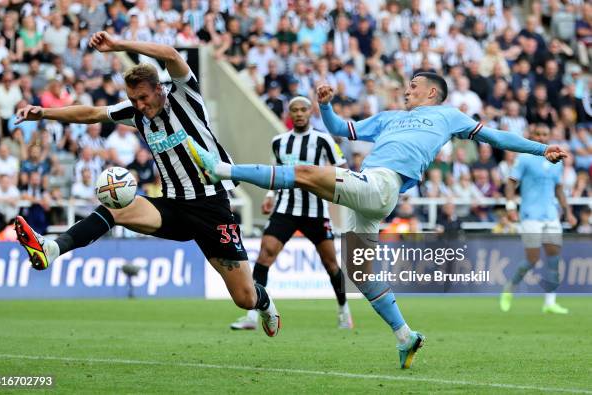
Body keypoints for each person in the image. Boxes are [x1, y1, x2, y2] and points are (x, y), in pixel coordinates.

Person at [186, 72, 567, 369]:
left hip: (382, 185)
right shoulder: (390, 118)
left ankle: (223, 169)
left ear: (432, 93)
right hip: (367, 195)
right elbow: (340, 130)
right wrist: (326, 107)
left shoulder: (448, 115)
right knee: (361, 272)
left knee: (304, 173)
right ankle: (405, 336)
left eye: (414, 87)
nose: (408, 91)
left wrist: (540, 149)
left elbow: (497, 137)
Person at [13, 32, 281, 337]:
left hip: (211, 207)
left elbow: (170, 54)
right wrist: (44, 113)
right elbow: (91, 113)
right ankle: (52, 248)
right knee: (116, 209)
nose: (139, 105)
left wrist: (119, 45)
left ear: (159, 89)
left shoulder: (185, 96)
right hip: (172, 206)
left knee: (243, 297)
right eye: (133, 100)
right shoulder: (136, 115)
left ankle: (266, 303)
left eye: (143, 98)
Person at [230, 96, 353, 331]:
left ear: (310, 112)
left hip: (316, 211)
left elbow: (343, 169)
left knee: (331, 263)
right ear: (289, 113)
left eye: (303, 110)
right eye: (294, 110)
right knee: (264, 256)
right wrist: (268, 197)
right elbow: (275, 173)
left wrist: (327, 186)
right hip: (285, 209)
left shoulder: (323, 140)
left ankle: (343, 310)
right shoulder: (279, 142)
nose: (298, 114)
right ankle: (252, 316)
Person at [499, 126, 577, 314]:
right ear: (532, 136)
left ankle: (550, 303)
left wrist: (568, 212)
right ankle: (510, 288)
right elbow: (510, 183)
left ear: (549, 136)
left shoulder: (556, 161)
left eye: (544, 134)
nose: (542, 136)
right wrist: (510, 207)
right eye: (538, 134)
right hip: (530, 214)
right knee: (532, 259)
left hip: (550, 215)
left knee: (553, 258)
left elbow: (558, 189)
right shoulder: (524, 158)